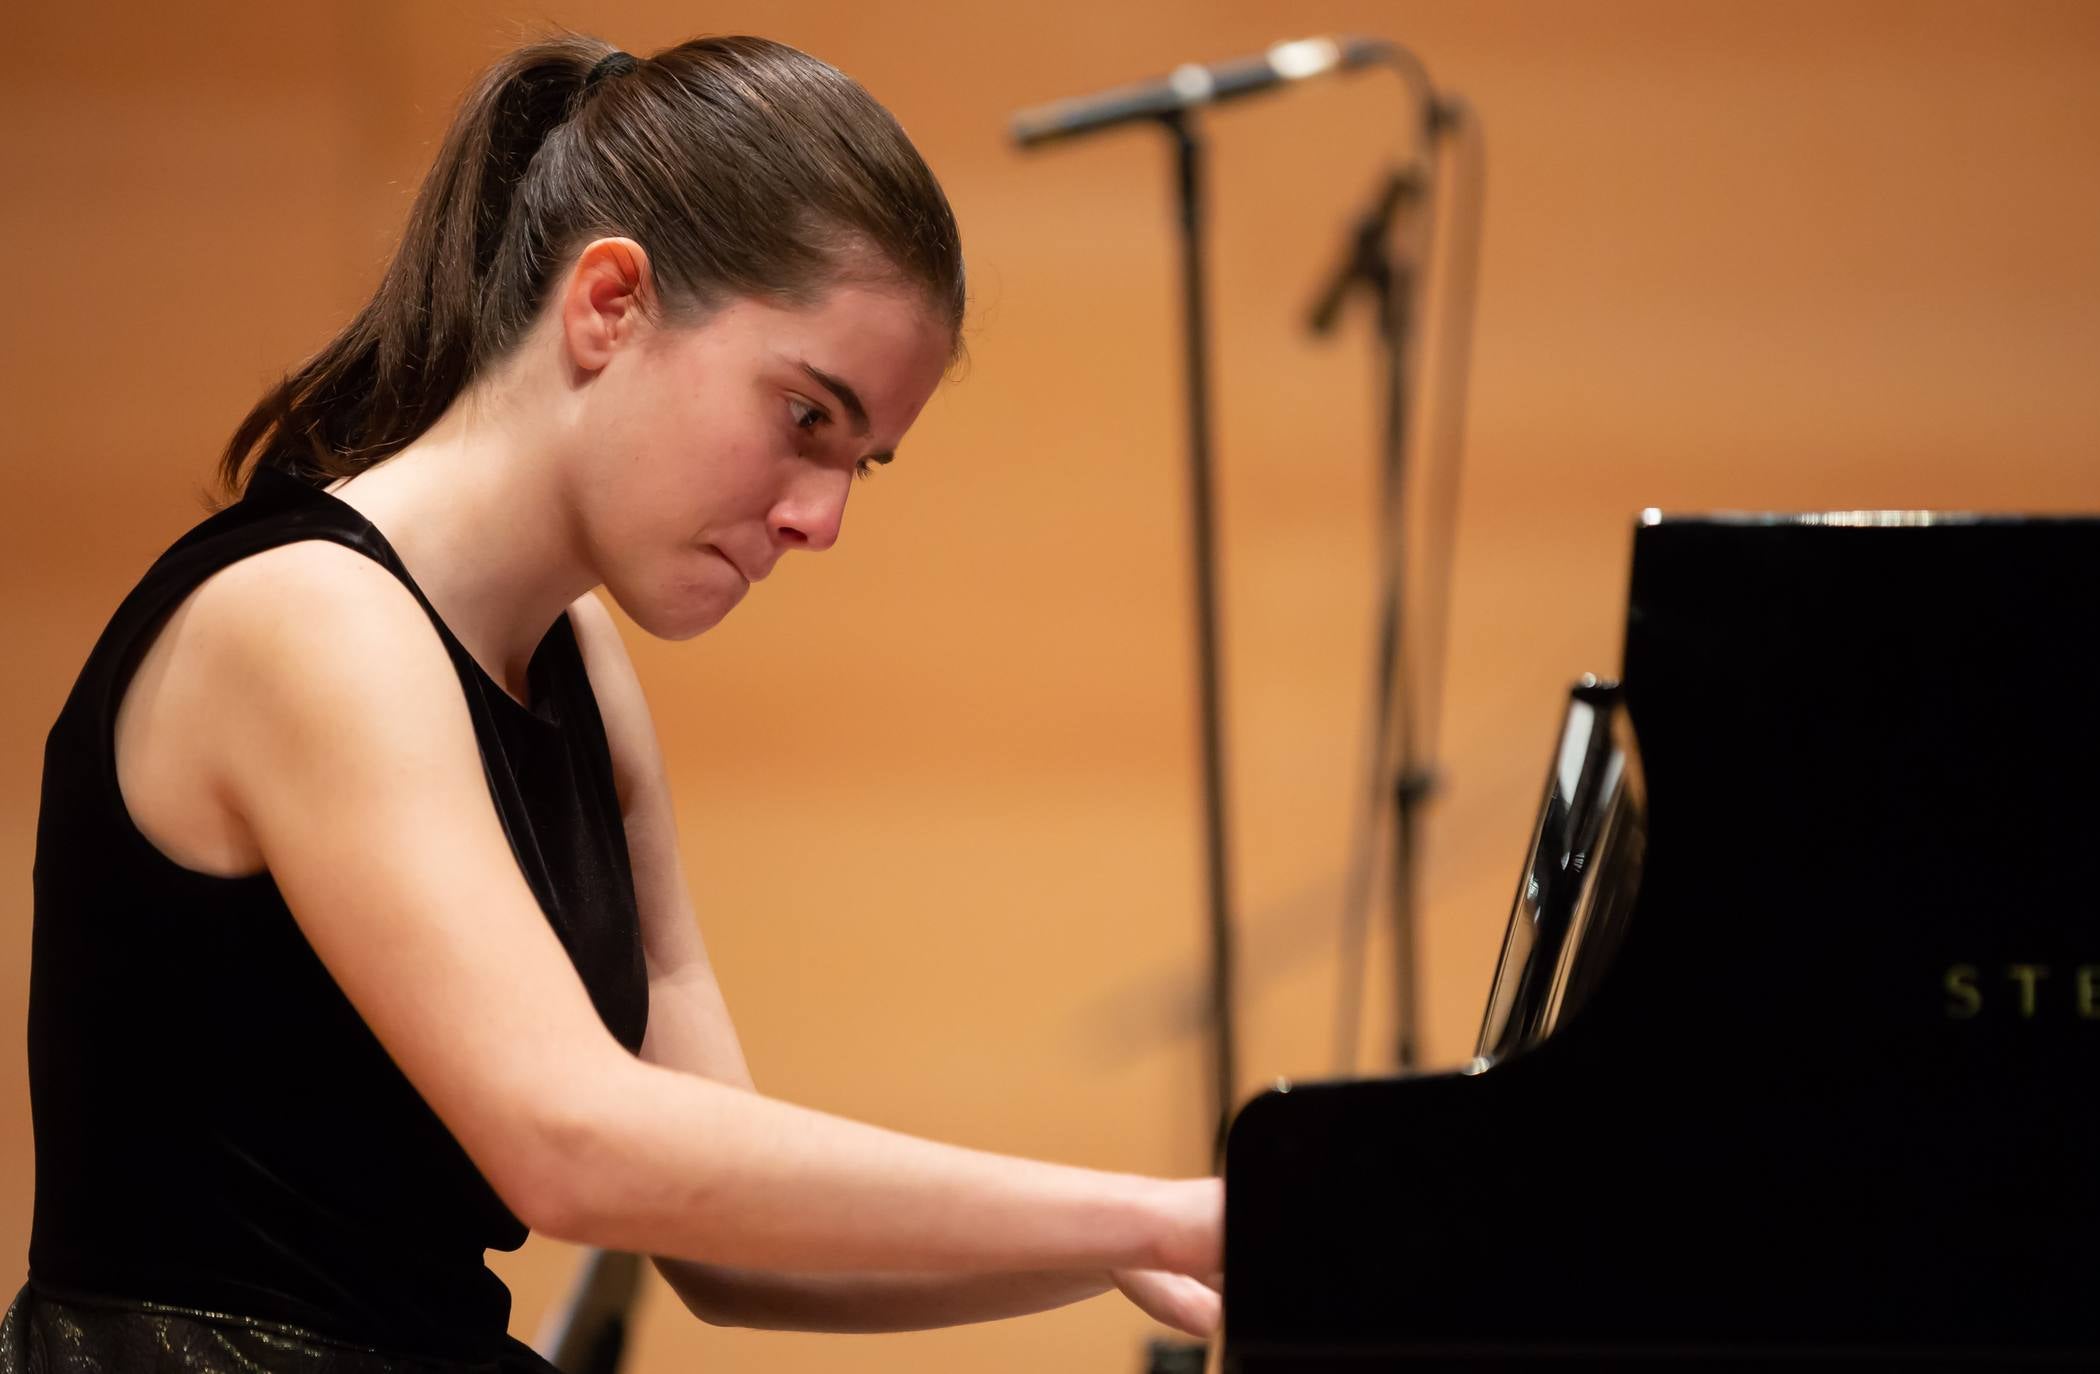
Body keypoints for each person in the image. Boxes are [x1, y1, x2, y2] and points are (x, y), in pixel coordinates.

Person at [2, 33, 1223, 1373]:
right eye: (806, 414)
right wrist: (1144, 1205)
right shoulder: (306, 621)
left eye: (860, 463)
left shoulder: (576, 657)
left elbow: (729, 1243)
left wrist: (1124, 1246)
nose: (820, 516)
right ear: (607, 303)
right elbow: (569, 1143)